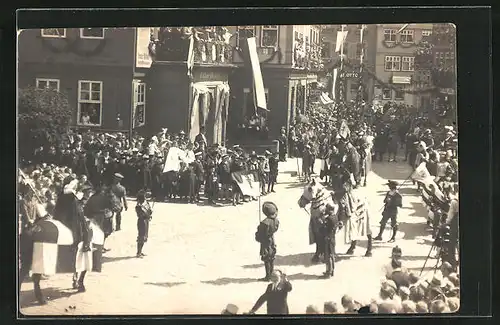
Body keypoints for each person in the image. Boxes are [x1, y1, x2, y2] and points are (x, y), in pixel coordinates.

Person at [254, 202, 280, 281]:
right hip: (272, 240)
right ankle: (271, 274)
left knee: (266, 259)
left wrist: (257, 234)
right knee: (271, 257)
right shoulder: (276, 220)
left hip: (265, 242)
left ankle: (268, 276)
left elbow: (260, 235)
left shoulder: (264, 223)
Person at [320, 203, 340, 279]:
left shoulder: (328, 219)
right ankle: (332, 271)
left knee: (328, 257)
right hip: (332, 238)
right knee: (332, 255)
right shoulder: (335, 217)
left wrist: (322, 222)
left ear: (330, 210)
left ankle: (329, 272)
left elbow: (324, 229)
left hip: (328, 239)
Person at [135, 190, 152, 258]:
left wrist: (150, 212)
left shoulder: (146, 203)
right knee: (141, 236)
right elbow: (140, 214)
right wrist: (147, 215)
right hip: (142, 221)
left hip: (146, 221)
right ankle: (138, 252)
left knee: (145, 236)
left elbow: (149, 210)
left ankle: (140, 251)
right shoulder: (138, 206)